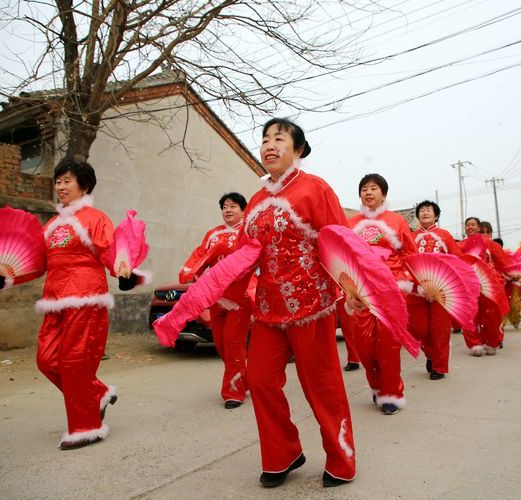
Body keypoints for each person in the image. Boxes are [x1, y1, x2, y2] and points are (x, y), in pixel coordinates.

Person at [241, 118, 355, 488]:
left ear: (299, 149)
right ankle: (283, 452)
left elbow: (340, 242)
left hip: (312, 304)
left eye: (279, 138)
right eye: (264, 139)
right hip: (268, 308)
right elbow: (244, 256)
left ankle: (341, 459)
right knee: (258, 379)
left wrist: (352, 286)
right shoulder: (256, 202)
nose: (269, 145)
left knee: (321, 385)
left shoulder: (314, 189)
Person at [35, 158, 135, 450]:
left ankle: (86, 427)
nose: (61, 186)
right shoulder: (52, 224)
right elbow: (38, 263)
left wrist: (123, 271)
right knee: (46, 359)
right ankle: (98, 393)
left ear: (84, 185)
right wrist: (4, 277)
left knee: (74, 361)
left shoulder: (95, 218)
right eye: (58, 181)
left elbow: (112, 251)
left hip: (85, 296)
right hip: (54, 300)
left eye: (67, 180)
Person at [347, 174, 417, 413]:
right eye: (364, 189)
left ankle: (391, 394)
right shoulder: (351, 223)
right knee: (365, 346)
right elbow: (345, 260)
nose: (368, 192)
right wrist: (347, 290)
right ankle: (377, 388)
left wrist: (412, 282)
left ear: (383, 194)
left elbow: (410, 254)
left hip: (392, 290)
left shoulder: (396, 220)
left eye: (373, 188)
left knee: (388, 345)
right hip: (362, 292)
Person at [178, 192, 252, 409]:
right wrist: (191, 272)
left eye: (233, 206)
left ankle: (233, 393)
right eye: (224, 207)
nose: (227, 210)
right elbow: (200, 256)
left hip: (240, 297)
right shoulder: (213, 234)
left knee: (233, 342)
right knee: (220, 344)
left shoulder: (248, 232)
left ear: (243, 210)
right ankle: (243, 378)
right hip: (216, 297)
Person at [408, 199, 463, 380]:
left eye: (429, 210)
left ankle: (439, 367)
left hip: (442, 289)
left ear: (436, 215)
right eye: (422, 210)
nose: (425, 212)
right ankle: (430, 354)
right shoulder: (411, 236)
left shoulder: (445, 235)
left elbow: (457, 259)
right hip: (417, 289)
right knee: (417, 327)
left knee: (440, 329)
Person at [459, 218, 510, 356]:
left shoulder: (488, 243)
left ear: (478, 227)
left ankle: (492, 342)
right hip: (467, 284)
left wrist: (507, 275)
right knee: (469, 315)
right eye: (467, 225)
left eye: (473, 225)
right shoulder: (459, 245)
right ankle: (474, 343)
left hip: (489, 285)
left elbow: (502, 262)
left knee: (491, 315)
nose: (470, 227)